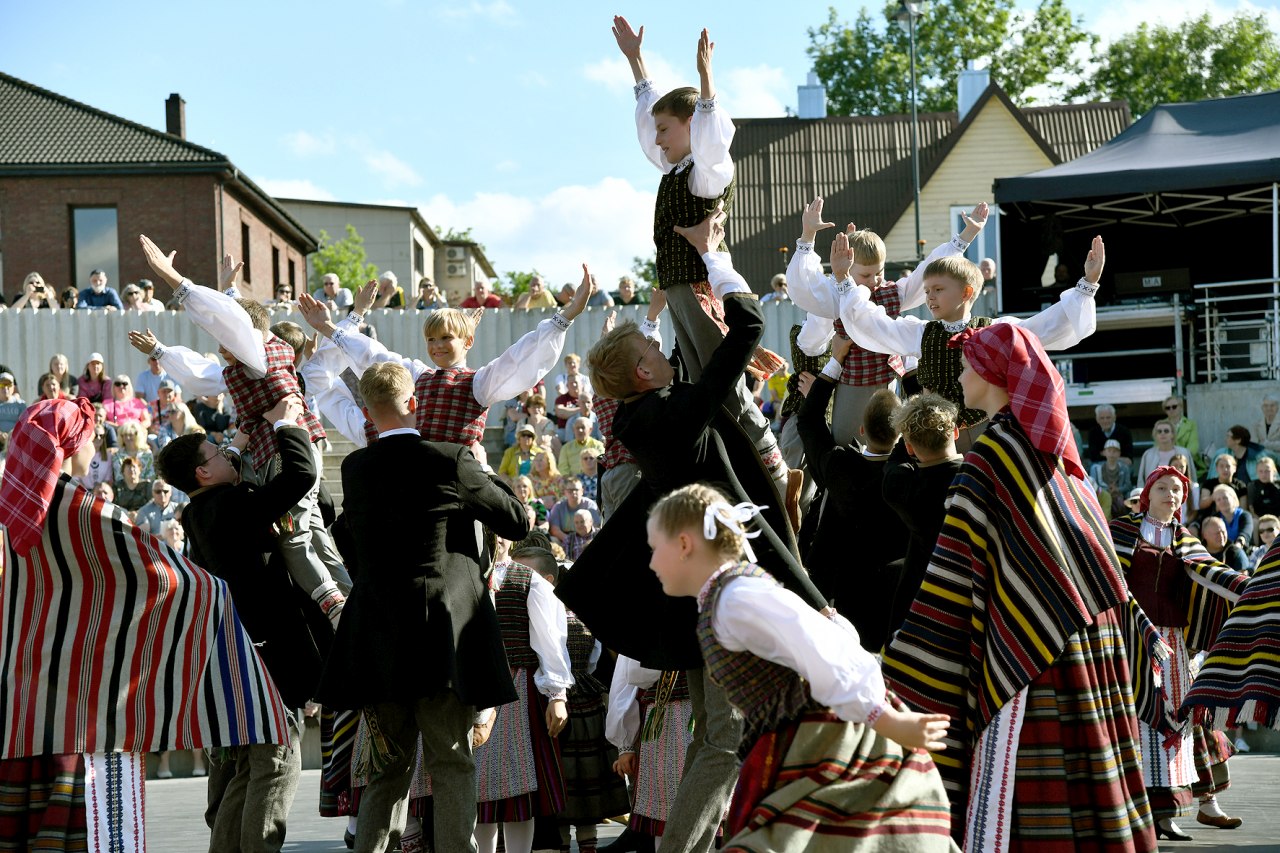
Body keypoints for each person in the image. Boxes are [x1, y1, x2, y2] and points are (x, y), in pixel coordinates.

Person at [562, 213, 829, 853]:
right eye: (655, 352)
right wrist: (714, 259)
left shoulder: (644, 417)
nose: (663, 352)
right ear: (646, 376)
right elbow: (750, 328)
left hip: (694, 600)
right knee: (720, 738)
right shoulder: (677, 416)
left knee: (720, 734)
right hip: (722, 595)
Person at [882, 322, 1159, 850]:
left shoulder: (991, 458)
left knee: (1029, 800)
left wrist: (899, 663)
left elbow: (953, 574)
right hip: (1079, 649)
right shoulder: (1055, 457)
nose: (961, 376)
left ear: (994, 373)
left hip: (1025, 661)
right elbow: (1093, 561)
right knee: (1087, 785)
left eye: (967, 366)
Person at [0, 398, 289, 851]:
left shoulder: (20, 510)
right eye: (90, 439)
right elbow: (164, 572)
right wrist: (217, 591)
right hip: (84, 711)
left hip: (28, 700)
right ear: (69, 445)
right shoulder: (82, 511)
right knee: (89, 829)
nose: (94, 448)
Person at [646, 483, 955, 849]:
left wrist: (885, 719)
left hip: (823, 741)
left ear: (684, 545)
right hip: (795, 744)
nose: (651, 563)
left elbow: (825, 647)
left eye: (655, 549)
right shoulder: (724, 598)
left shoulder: (737, 598)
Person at [315, 362, 529, 853]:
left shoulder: (356, 467)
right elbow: (515, 521)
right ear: (415, 403)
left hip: (377, 633)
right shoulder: (450, 458)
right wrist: (479, 464)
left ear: (368, 412)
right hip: (440, 633)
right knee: (451, 760)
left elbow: (349, 539)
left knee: (387, 766)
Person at [613, 16, 791, 500]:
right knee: (697, 384)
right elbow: (654, 112)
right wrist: (636, 63)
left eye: (666, 130)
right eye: (657, 130)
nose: (656, 139)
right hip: (678, 289)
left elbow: (712, 136)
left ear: (692, 125)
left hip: (698, 285)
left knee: (724, 383)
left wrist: (707, 83)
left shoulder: (704, 172)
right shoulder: (675, 169)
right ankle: (737, 472)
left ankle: (776, 470)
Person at [132, 241, 349, 627]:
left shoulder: (258, 356)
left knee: (294, 535)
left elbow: (233, 323)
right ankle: (346, 593)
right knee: (309, 529)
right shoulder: (244, 365)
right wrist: (225, 294)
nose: (219, 345)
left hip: (290, 448)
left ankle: (333, 600)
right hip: (273, 451)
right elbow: (208, 368)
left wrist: (174, 279)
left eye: (225, 340)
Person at [158, 397, 333, 852]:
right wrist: (287, 426)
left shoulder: (198, 511)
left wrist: (235, 442)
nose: (225, 455)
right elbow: (302, 477)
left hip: (235, 654)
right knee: (277, 762)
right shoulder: (232, 505)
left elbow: (222, 467)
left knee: (245, 768)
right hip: (268, 655)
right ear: (202, 473)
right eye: (215, 455)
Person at [299, 271, 595, 455]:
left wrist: (565, 316)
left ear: (468, 342)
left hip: (457, 487)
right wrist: (329, 329)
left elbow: (518, 360)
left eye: (445, 338)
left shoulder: (478, 383)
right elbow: (373, 355)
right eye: (431, 339)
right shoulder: (418, 374)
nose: (437, 346)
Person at [1108, 466, 1251, 840]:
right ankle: (1157, 810)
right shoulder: (1122, 531)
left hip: (1173, 641)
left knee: (1182, 718)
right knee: (1144, 719)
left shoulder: (1184, 539)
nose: (1171, 495)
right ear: (1147, 494)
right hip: (1131, 637)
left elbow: (1214, 573)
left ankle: (1196, 805)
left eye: (1177, 491)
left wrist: (1254, 590)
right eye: (1164, 488)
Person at [785, 196, 988, 446]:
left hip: (888, 381)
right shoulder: (836, 293)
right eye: (866, 274)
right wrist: (807, 236)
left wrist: (965, 235)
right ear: (847, 267)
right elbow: (805, 288)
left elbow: (926, 271)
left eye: (880, 272)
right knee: (847, 444)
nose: (875, 280)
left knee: (889, 443)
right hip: (853, 382)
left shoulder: (892, 292)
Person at [795, 351, 907, 649]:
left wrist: (833, 365)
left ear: (861, 431)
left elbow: (807, 422)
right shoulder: (910, 474)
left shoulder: (840, 468)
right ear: (902, 435)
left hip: (844, 593)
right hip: (897, 595)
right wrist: (907, 361)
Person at [473, 537, 573, 853]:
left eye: (504, 532)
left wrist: (557, 695)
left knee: (519, 792)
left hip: (517, 690)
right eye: (492, 531)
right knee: (476, 788)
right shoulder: (466, 573)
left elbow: (550, 639)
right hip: (473, 688)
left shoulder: (527, 580)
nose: (498, 539)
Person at [881, 392, 964, 639]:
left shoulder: (899, 487)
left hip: (919, 602)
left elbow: (894, 462)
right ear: (956, 432)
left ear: (909, 447)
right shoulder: (975, 481)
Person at [1138, 419, 1197, 484]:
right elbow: (1141, 480)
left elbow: (1192, 476)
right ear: (1155, 435)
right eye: (1159, 431)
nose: (1162, 433)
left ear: (1172, 434)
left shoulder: (1184, 452)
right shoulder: (1148, 454)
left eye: (1166, 431)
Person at [547, 478, 602, 546]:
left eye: (576, 490)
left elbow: (596, 526)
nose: (573, 493)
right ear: (565, 492)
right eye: (570, 490)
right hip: (565, 540)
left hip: (587, 539)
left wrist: (581, 541)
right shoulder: (558, 507)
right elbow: (554, 529)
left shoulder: (590, 505)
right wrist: (571, 540)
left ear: (582, 491)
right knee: (553, 539)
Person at [1092, 437, 1137, 518]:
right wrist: (1106, 490)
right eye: (1109, 451)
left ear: (1119, 453)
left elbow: (1128, 485)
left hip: (1120, 497)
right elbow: (1093, 485)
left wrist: (1118, 489)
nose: (1112, 454)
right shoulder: (1095, 468)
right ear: (1104, 452)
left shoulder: (1124, 468)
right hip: (1102, 497)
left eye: (1115, 451)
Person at [1249, 457, 1280, 521]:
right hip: (1259, 519)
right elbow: (1251, 507)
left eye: (1267, 471)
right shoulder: (1252, 486)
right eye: (1261, 471)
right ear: (1257, 472)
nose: (1264, 474)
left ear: (1274, 471)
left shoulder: (1278, 485)